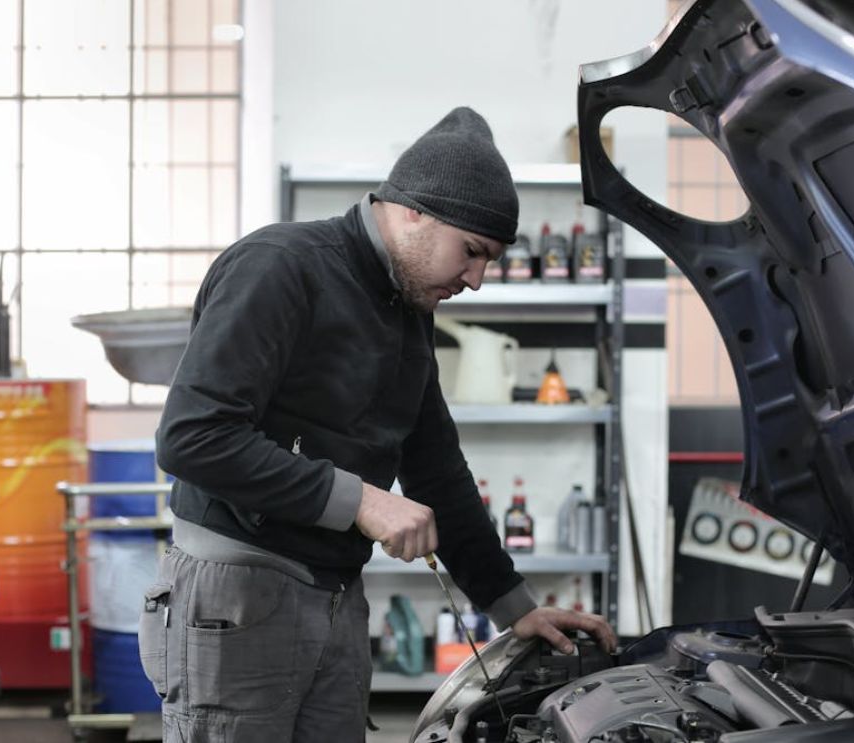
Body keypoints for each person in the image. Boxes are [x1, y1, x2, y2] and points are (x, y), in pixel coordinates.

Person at [143, 106, 616, 742]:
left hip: (335, 593)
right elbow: (192, 437)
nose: (476, 280)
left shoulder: (405, 304)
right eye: (472, 252)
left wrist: (515, 609)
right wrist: (361, 500)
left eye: (491, 261)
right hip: (237, 599)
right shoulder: (281, 266)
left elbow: (437, 468)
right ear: (413, 210)